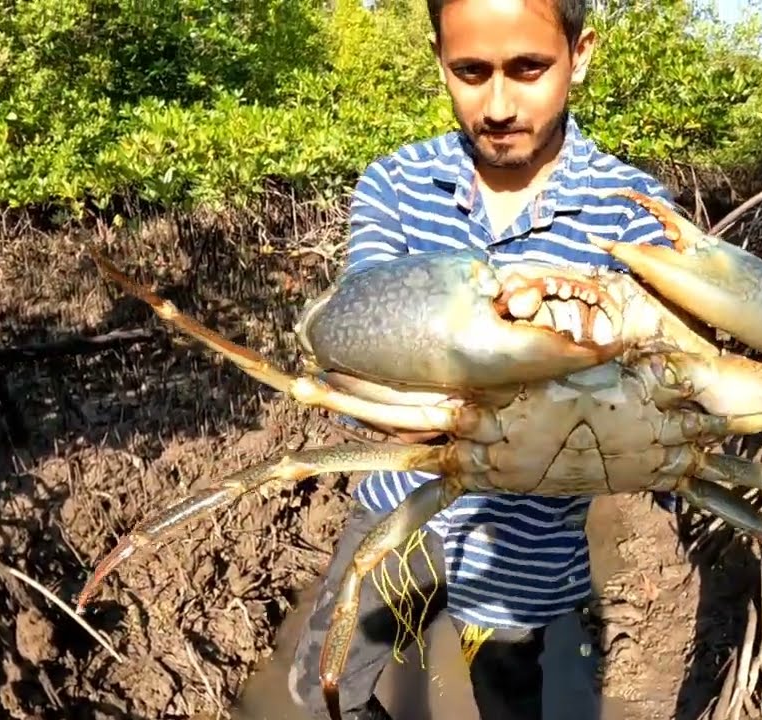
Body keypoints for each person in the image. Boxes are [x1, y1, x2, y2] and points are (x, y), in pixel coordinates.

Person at [288, 0, 683, 718]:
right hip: (402, 509)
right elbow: (358, 333)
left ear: (580, 54)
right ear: (440, 58)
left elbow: (662, 378)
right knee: (323, 695)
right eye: (471, 72)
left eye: (528, 68)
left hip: (526, 548)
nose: (498, 103)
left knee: (507, 699)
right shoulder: (397, 185)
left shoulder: (634, 212)